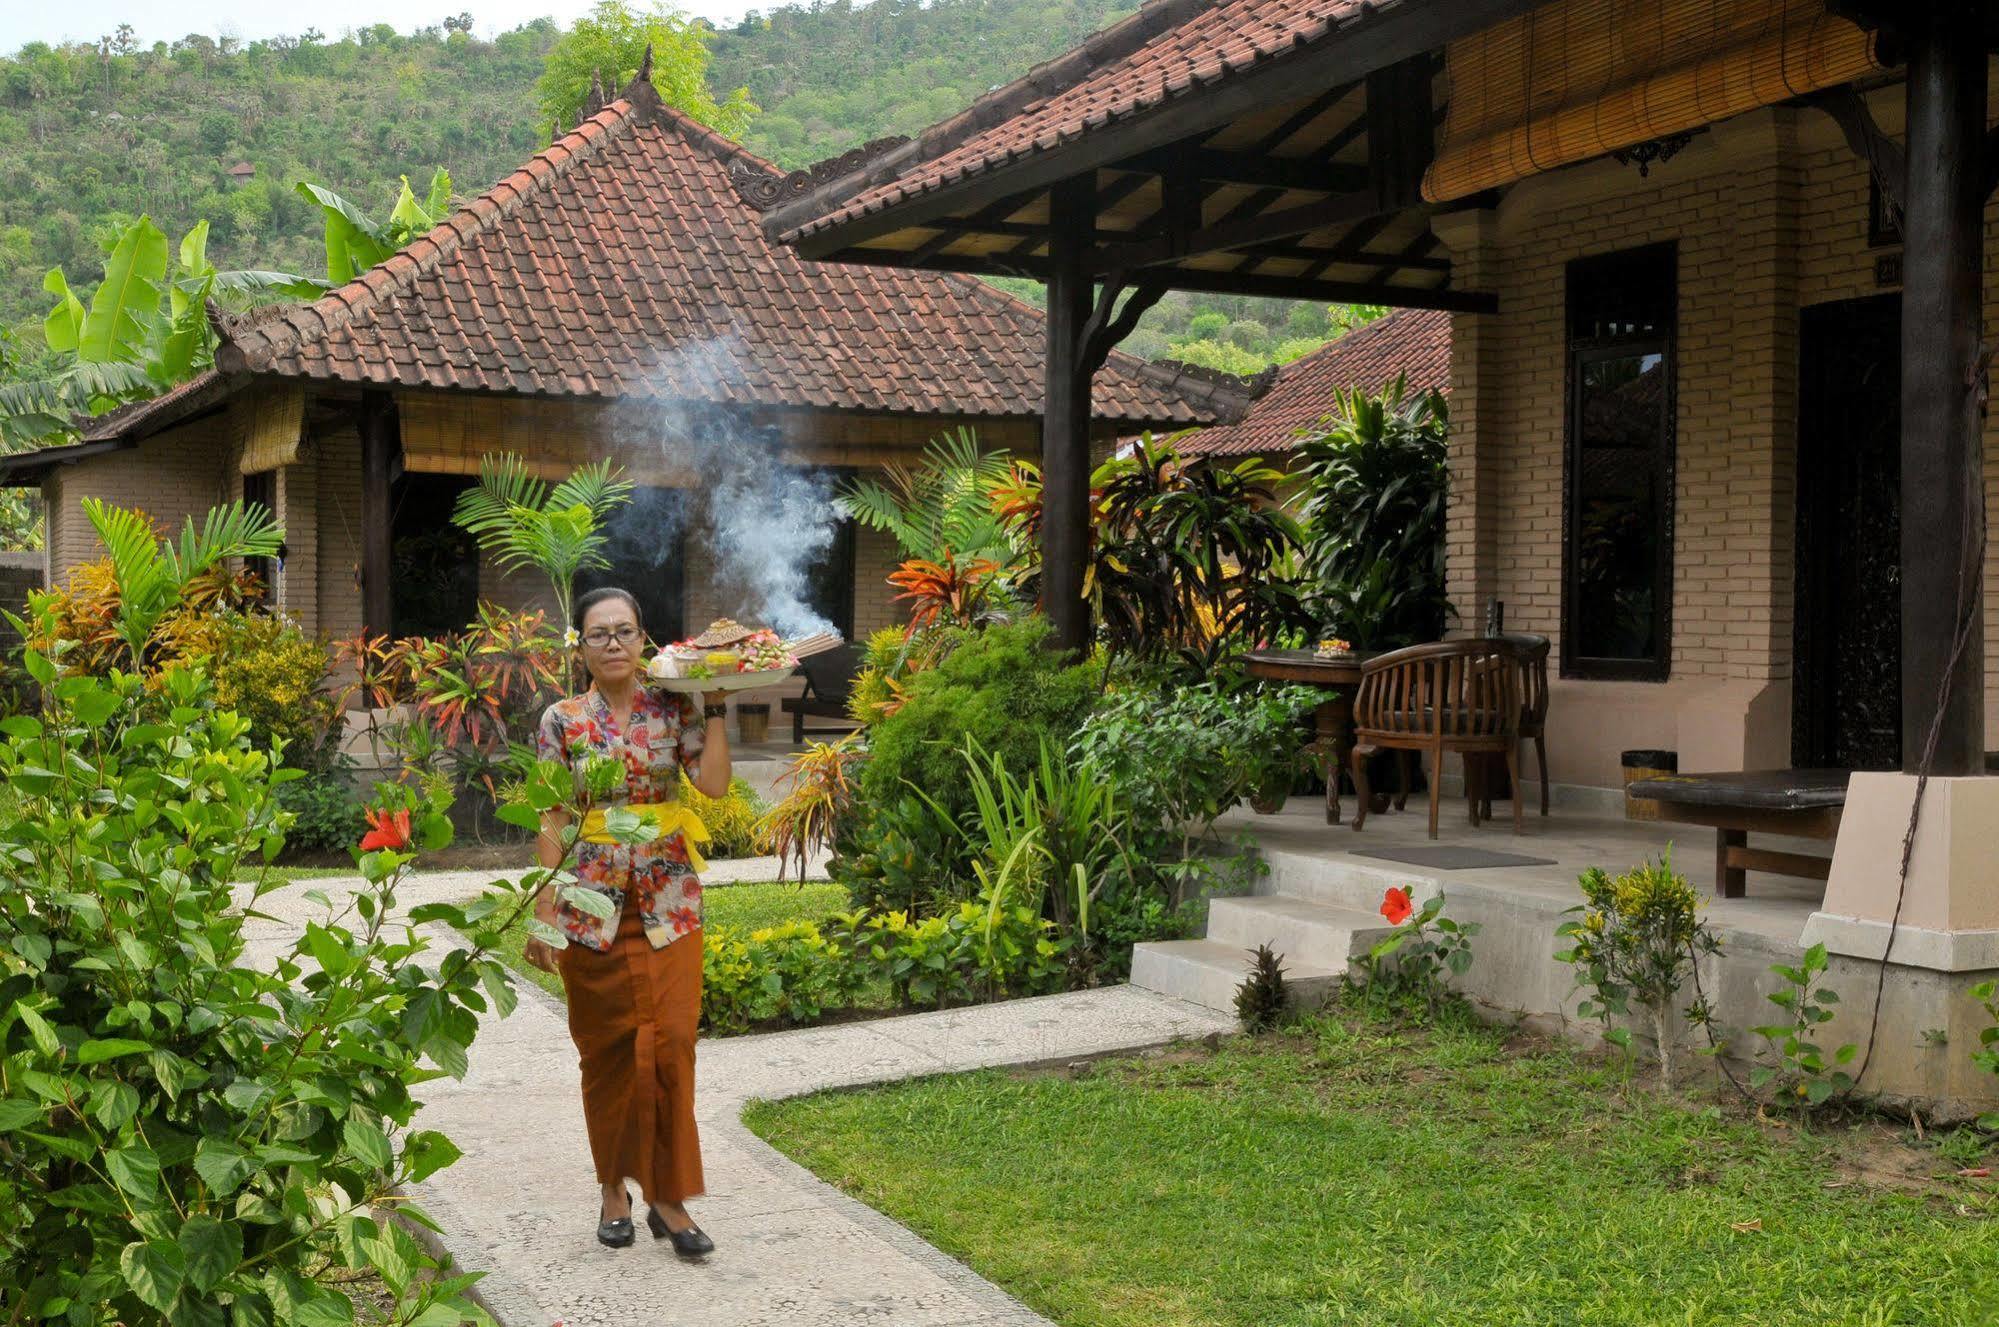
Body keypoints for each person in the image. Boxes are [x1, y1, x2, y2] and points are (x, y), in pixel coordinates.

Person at [524, 586, 729, 1255]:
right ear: (578, 646)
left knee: (670, 1046)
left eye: (625, 631)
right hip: (591, 908)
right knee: (607, 1053)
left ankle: (668, 1200)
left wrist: (719, 706)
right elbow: (551, 814)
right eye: (598, 633)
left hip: (669, 904)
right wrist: (544, 910)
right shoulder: (561, 720)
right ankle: (614, 1186)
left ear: (644, 640)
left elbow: (717, 786)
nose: (613, 643)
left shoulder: (674, 707)